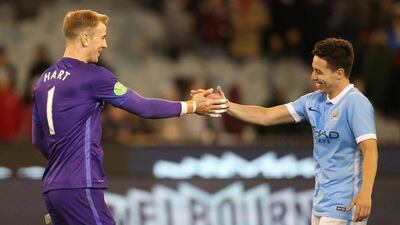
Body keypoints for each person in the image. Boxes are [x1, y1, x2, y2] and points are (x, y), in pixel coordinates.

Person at [31, 9, 227, 225]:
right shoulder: (94, 76)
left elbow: (38, 140)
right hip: (81, 186)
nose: (105, 45)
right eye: (103, 37)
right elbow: (144, 107)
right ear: (85, 38)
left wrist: (64, 165)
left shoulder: (43, 81)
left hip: (52, 188)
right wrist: (191, 106)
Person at [194, 38, 378, 225]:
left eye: (318, 71)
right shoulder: (312, 101)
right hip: (321, 203)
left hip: (345, 204)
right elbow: (266, 115)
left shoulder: (356, 103)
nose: (312, 77)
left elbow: (370, 149)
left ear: (339, 73)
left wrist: (365, 193)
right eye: (313, 69)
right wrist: (226, 105)